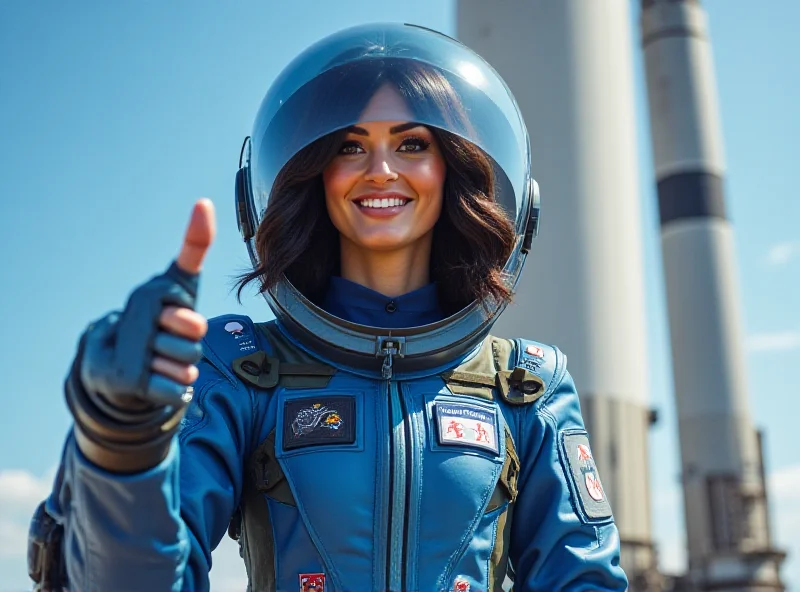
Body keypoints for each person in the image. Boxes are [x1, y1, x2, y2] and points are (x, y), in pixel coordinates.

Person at [29, 23, 628, 592]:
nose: (381, 171)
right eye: (350, 145)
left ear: (453, 168)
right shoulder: (239, 370)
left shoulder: (527, 388)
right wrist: (120, 444)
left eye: (412, 143)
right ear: (315, 173)